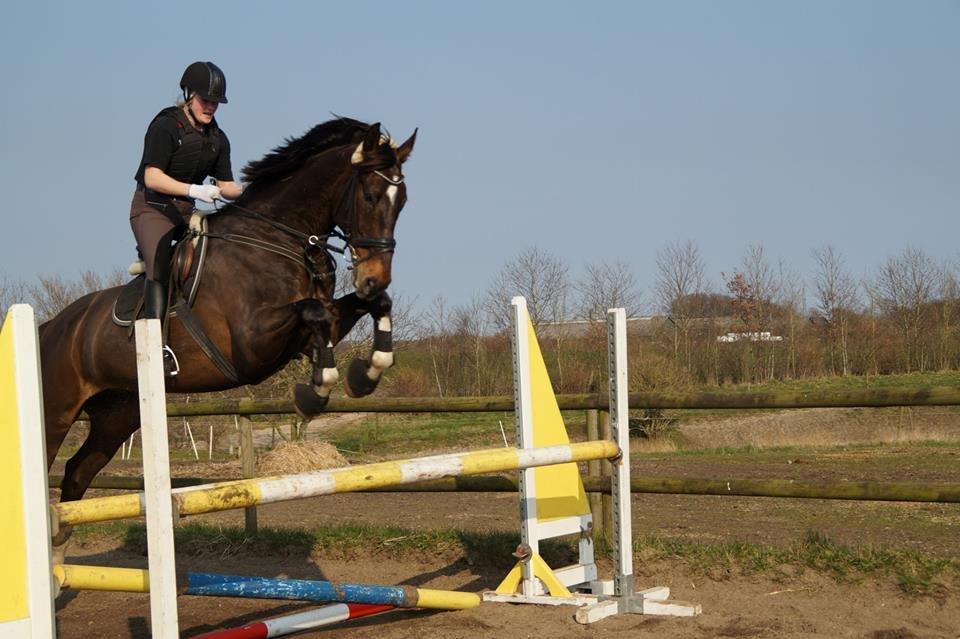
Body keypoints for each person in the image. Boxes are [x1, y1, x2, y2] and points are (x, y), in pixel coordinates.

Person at [130, 61, 243, 375]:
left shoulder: (218, 138)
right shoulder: (166, 126)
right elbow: (152, 177)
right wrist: (194, 189)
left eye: (216, 102)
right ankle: (155, 348)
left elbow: (226, 186)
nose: (211, 107)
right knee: (160, 265)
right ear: (189, 95)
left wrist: (251, 191)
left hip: (187, 214)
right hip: (152, 208)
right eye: (206, 100)